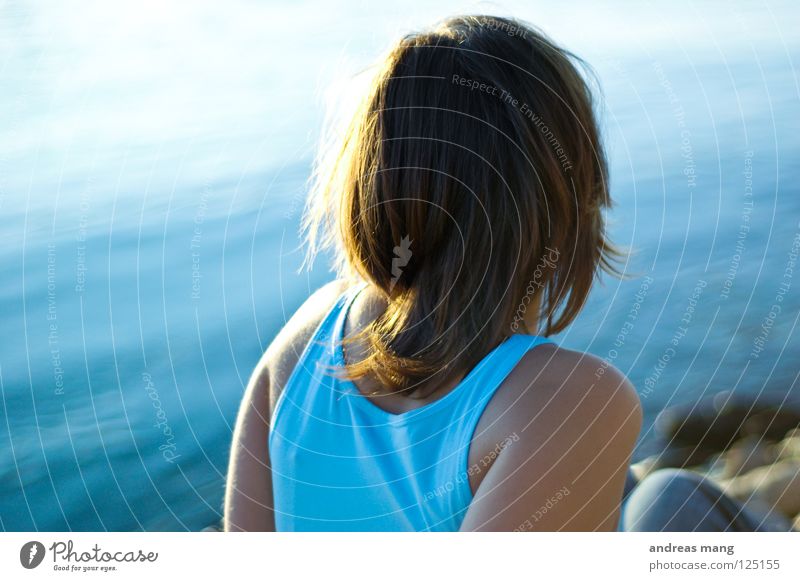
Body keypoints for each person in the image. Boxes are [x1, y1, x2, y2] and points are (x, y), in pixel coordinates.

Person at [223, 14, 745, 532]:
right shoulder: (571, 402)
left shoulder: (304, 337)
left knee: (636, 485)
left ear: (371, 184)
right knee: (675, 495)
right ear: (564, 196)